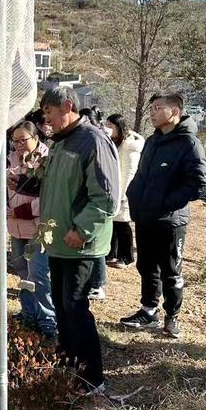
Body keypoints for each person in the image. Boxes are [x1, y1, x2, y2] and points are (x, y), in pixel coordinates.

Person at [39, 87, 119, 393]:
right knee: (61, 305)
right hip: (58, 241)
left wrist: (82, 228)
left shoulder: (94, 142)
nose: (45, 120)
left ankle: (92, 376)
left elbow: (106, 198)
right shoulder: (60, 143)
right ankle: (68, 363)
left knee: (75, 307)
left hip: (79, 243)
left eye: (49, 112)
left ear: (68, 107)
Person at [122, 91, 206, 339]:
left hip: (171, 220)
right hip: (146, 216)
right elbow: (141, 176)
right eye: (151, 109)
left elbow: (197, 184)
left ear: (175, 112)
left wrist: (166, 203)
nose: (152, 113)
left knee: (171, 270)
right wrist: (134, 195)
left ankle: (172, 317)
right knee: (146, 266)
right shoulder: (152, 141)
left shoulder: (189, 144)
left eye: (158, 108)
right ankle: (148, 311)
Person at [7, 121, 57, 338]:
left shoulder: (46, 161)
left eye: (23, 140)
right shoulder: (11, 160)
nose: (18, 145)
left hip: (38, 228)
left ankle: (48, 321)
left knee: (39, 275)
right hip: (15, 228)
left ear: (36, 138)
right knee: (23, 273)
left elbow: (49, 198)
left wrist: (22, 211)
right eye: (15, 140)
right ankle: (29, 314)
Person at [79, 107, 112, 301]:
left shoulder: (100, 142)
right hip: (86, 200)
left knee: (96, 246)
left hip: (97, 203)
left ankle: (98, 284)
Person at [105, 113, 144, 269]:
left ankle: (126, 256)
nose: (107, 129)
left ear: (118, 127)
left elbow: (130, 172)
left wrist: (124, 194)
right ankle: (112, 254)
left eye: (110, 126)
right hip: (114, 188)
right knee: (112, 224)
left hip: (123, 191)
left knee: (122, 225)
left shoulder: (129, 147)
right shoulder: (115, 143)